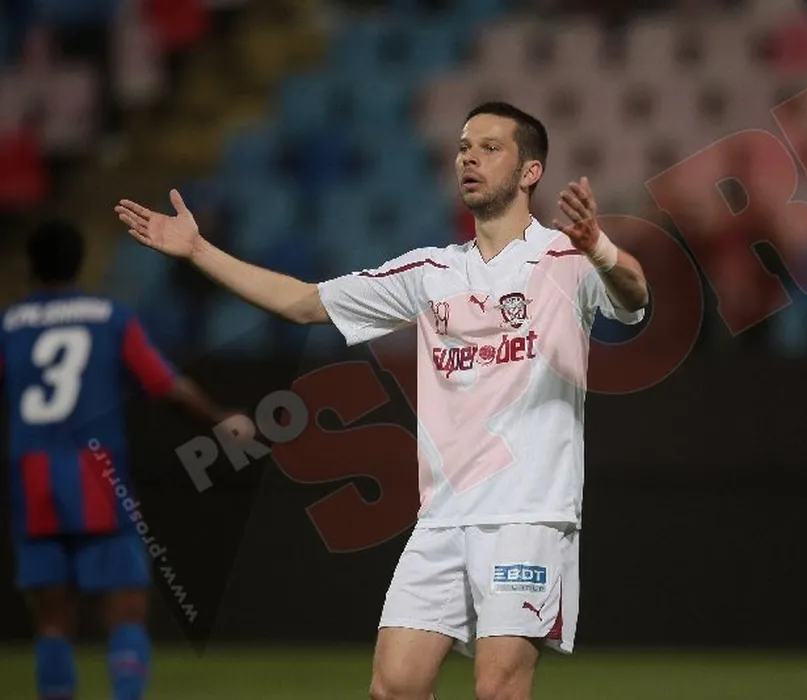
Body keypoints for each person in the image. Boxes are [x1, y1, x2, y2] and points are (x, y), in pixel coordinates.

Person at [115, 101, 650, 700]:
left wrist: (599, 248)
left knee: (498, 688)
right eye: (464, 147)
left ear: (530, 171)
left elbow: (634, 296)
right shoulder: (431, 271)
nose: (469, 158)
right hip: (442, 519)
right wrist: (198, 251)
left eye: (489, 148)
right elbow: (304, 303)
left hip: (526, 515)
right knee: (393, 688)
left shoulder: (565, 257)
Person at [1, 220, 250, 700]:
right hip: (96, 478)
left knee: (52, 620)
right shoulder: (109, 318)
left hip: (32, 481)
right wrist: (219, 419)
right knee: (126, 611)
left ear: (30, 266)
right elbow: (166, 386)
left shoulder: (10, 324)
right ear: (80, 262)